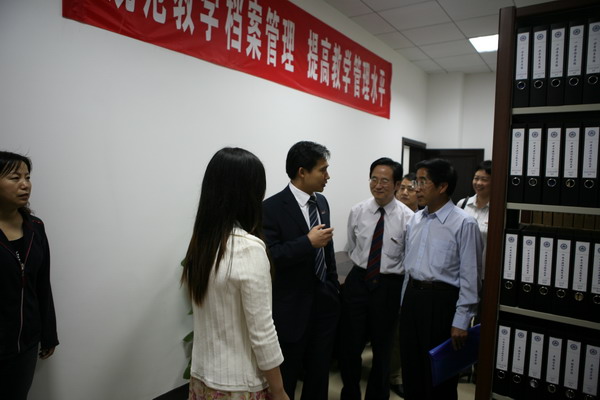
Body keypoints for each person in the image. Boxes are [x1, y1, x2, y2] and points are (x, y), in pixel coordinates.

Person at [181, 147, 288, 400]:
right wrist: (279, 390)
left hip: (203, 377)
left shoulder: (203, 243)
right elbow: (262, 332)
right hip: (239, 384)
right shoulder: (248, 248)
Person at [262, 141, 340, 400]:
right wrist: (306, 242)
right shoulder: (271, 208)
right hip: (291, 308)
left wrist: (332, 286)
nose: (328, 176)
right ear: (302, 172)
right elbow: (270, 256)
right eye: (323, 170)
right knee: (288, 375)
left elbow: (327, 248)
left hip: (324, 303)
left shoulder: (322, 202)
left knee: (319, 374)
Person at [399, 158, 482, 400]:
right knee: (411, 371)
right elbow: (409, 267)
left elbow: (470, 276)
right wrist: (404, 304)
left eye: (422, 182)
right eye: (416, 181)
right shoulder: (415, 219)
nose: (416, 188)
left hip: (442, 304)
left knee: (438, 379)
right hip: (413, 300)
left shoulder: (464, 223)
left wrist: (462, 320)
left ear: (442, 186)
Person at [340, 158, 413, 400]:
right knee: (350, 346)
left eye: (384, 181)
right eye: (374, 179)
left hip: (389, 286)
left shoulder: (408, 218)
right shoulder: (358, 211)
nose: (378, 185)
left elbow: (409, 258)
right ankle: (350, 394)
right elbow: (352, 246)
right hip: (359, 282)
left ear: (396, 185)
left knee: (383, 350)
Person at [0, 151, 59, 400]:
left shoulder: (36, 227)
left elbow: (42, 284)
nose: (25, 184)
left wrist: (48, 334)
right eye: (15, 178)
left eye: (27, 177)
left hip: (26, 344)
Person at [389, 172, 418, 397]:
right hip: (393, 280)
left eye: (411, 189)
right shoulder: (392, 215)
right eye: (403, 188)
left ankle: (403, 374)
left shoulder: (420, 219)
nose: (405, 193)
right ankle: (394, 375)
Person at [457, 160, 491, 277]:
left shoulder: (499, 210)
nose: (478, 183)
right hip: (461, 271)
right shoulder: (462, 204)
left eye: (484, 179)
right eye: (476, 178)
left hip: (487, 273)